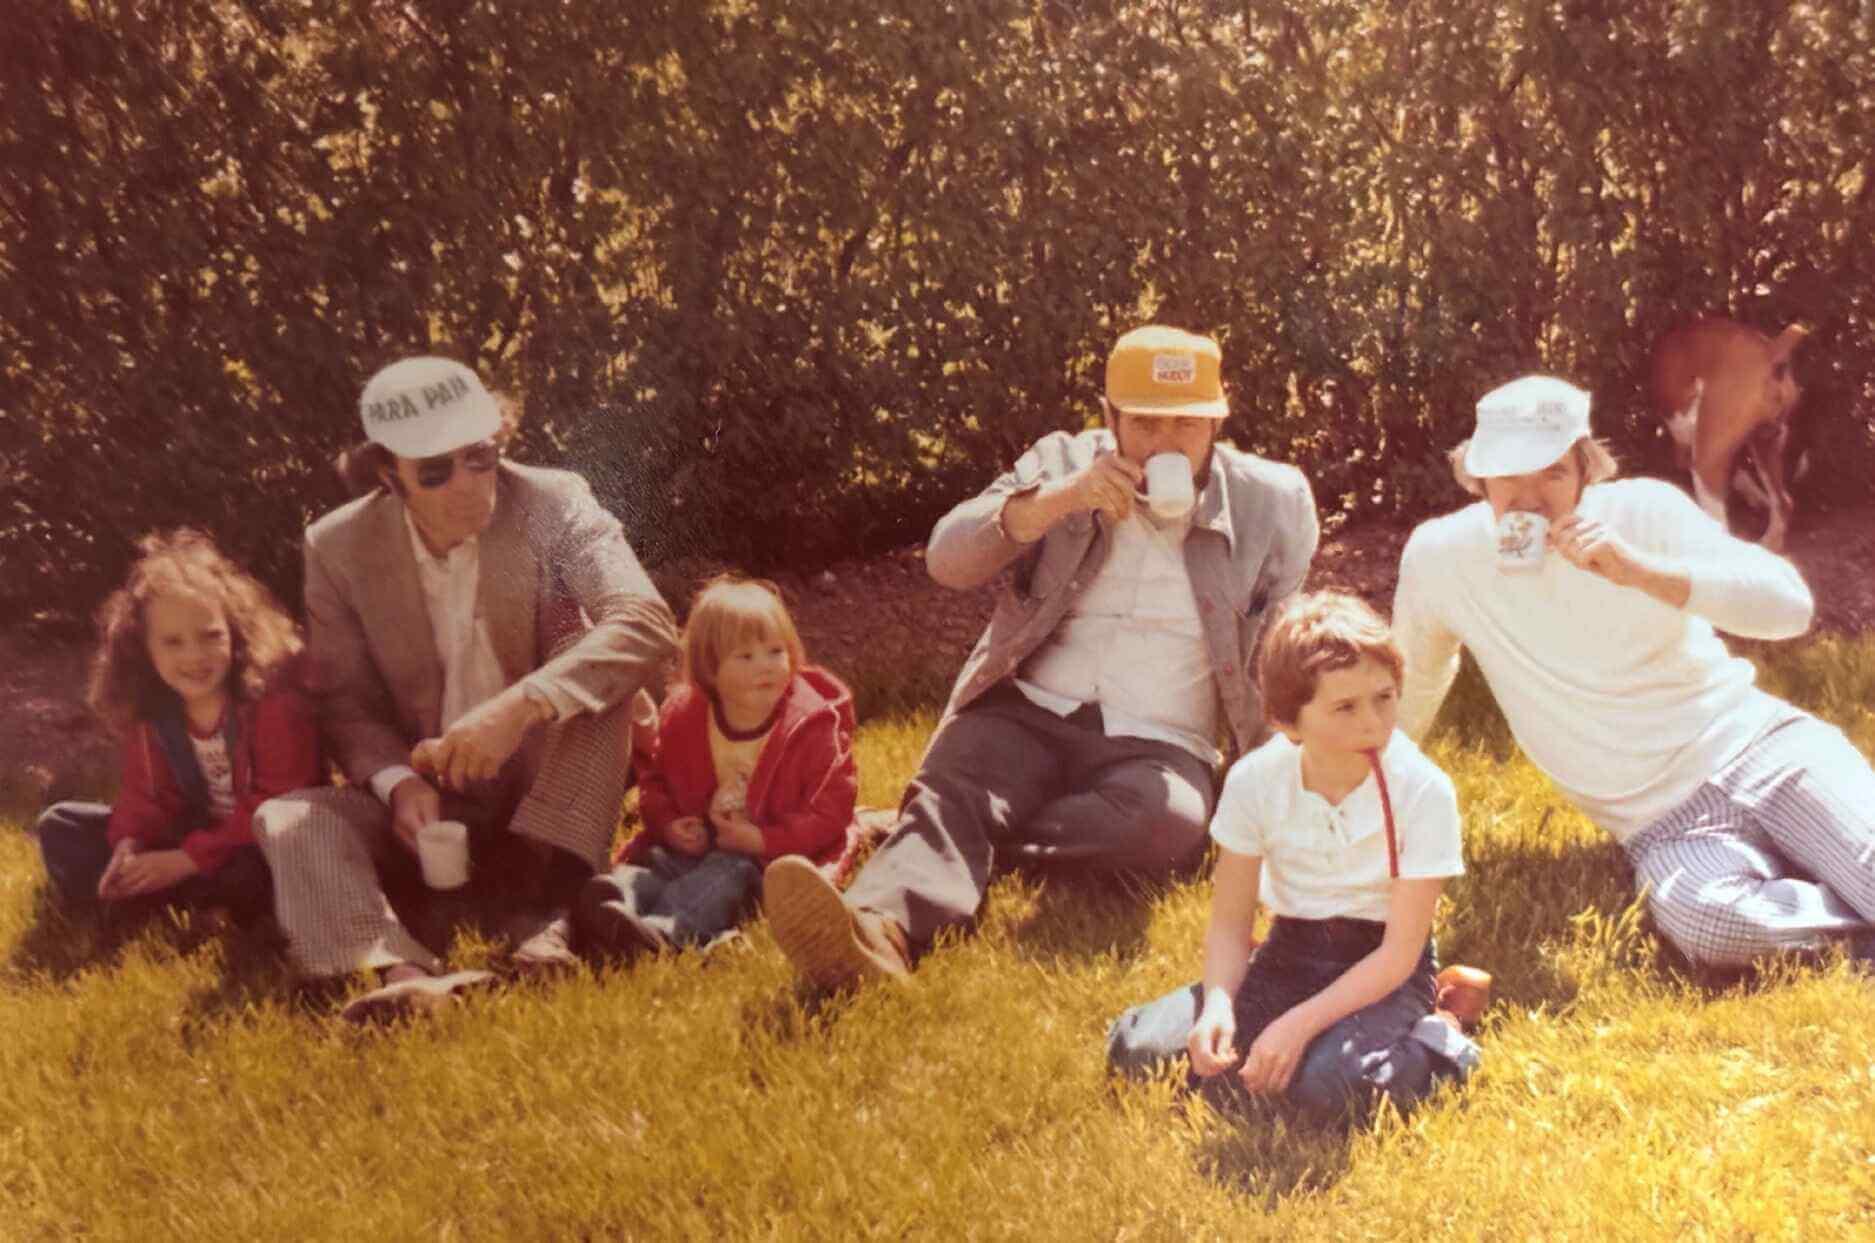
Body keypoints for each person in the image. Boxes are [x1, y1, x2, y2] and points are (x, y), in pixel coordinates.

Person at [763, 325, 1320, 991]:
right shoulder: (1060, 461)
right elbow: (947, 560)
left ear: (1217, 422)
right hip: (1027, 707)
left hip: (1159, 737)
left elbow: (1285, 648)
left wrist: (1282, 785)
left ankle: (940, 830)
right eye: (1144, 423)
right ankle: (875, 932)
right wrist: (1059, 500)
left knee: (1167, 828)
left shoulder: (1273, 501)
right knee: (964, 768)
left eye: (1188, 424)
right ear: (1107, 417)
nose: (1166, 444)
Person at [1393, 374, 1875, 970]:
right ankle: (1853, 934)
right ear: (1478, 478)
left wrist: (1639, 571)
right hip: (1662, 822)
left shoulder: (1643, 512)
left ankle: (1844, 880)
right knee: (1711, 928)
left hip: (1762, 751)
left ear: (1586, 472)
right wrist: (1361, 789)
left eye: (1552, 473)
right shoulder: (1442, 558)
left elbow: (1790, 608)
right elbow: (1412, 682)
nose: (1530, 497)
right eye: (1510, 476)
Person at [253, 356, 679, 1021]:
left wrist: (522, 705)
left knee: (603, 692)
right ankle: (399, 971)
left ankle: (549, 913)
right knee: (287, 819)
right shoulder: (336, 546)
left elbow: (645, 619)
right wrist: (399, 783)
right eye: (434, 470)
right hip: (429, 789)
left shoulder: (552, 501)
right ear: (390, 478)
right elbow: (345, 703)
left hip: (541, 770)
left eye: (479, 455)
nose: (466, 483)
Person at [1105, 592, 1481, 1122]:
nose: (1374, 724)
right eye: (1345, 707)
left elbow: (1398, 955)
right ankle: (1250, 1023)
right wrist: (1217, 1004)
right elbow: (1232, 924)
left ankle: (1441, 1039)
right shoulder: (1256, 781)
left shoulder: (1423, 791)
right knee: (1141, 1054)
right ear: (1288, 722)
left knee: (1328, 1089)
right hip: (1289, 951)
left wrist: (1297, 1025)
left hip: (1384, 965)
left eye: (1385, 697)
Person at [34, 529, 319, 930]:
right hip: (191, 837)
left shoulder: (270, 701)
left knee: (259, 867)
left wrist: (187, 860)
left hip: (258, 841)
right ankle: (185, 899)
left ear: (236, 635)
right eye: (173, 642)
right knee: (62, 825)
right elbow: (145, 797)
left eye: (210, 636)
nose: (194, 656)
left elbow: (279, 803)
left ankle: (189, 901)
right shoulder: (154, 712)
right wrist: (129, 845)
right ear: (144, 649)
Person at [576, 576, 866, 956]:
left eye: (776, 652)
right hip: (693, 849)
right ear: (710, 669)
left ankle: (664, 932)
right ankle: (614, 900)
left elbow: (832, 812)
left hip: (764, 860)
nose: (765, 666)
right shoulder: (686, 718)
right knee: (658, 866)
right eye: (745, 656)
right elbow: (656, 782)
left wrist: (762, 840)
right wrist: (669, 824)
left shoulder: (811, 726)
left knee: (723, 875)